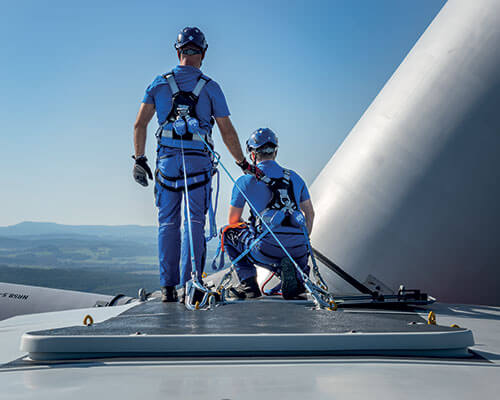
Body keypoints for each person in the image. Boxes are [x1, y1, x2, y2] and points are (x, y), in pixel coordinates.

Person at [132, 27, 259, 302]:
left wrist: (139, 160)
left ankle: (168, 288)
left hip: (167, 164)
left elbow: (140, 124)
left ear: (178, 51)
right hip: (198, 164)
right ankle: (192, 284)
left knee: (167, 223)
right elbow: (226, 130)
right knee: (194, 222)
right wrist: (242, 163)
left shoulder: (159, 83)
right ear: (203, 52)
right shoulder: (211, 87)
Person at [222, 128, 315, 300]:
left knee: (227, 233)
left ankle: (248, 285)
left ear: (252, 154)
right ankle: (297, 277)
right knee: (287, 247)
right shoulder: (295, 177)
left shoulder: (244, 181)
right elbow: (310, 214)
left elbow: (233, 221)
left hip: (266, 249)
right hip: (299, 250)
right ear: (275, 151)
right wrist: (302, 239)